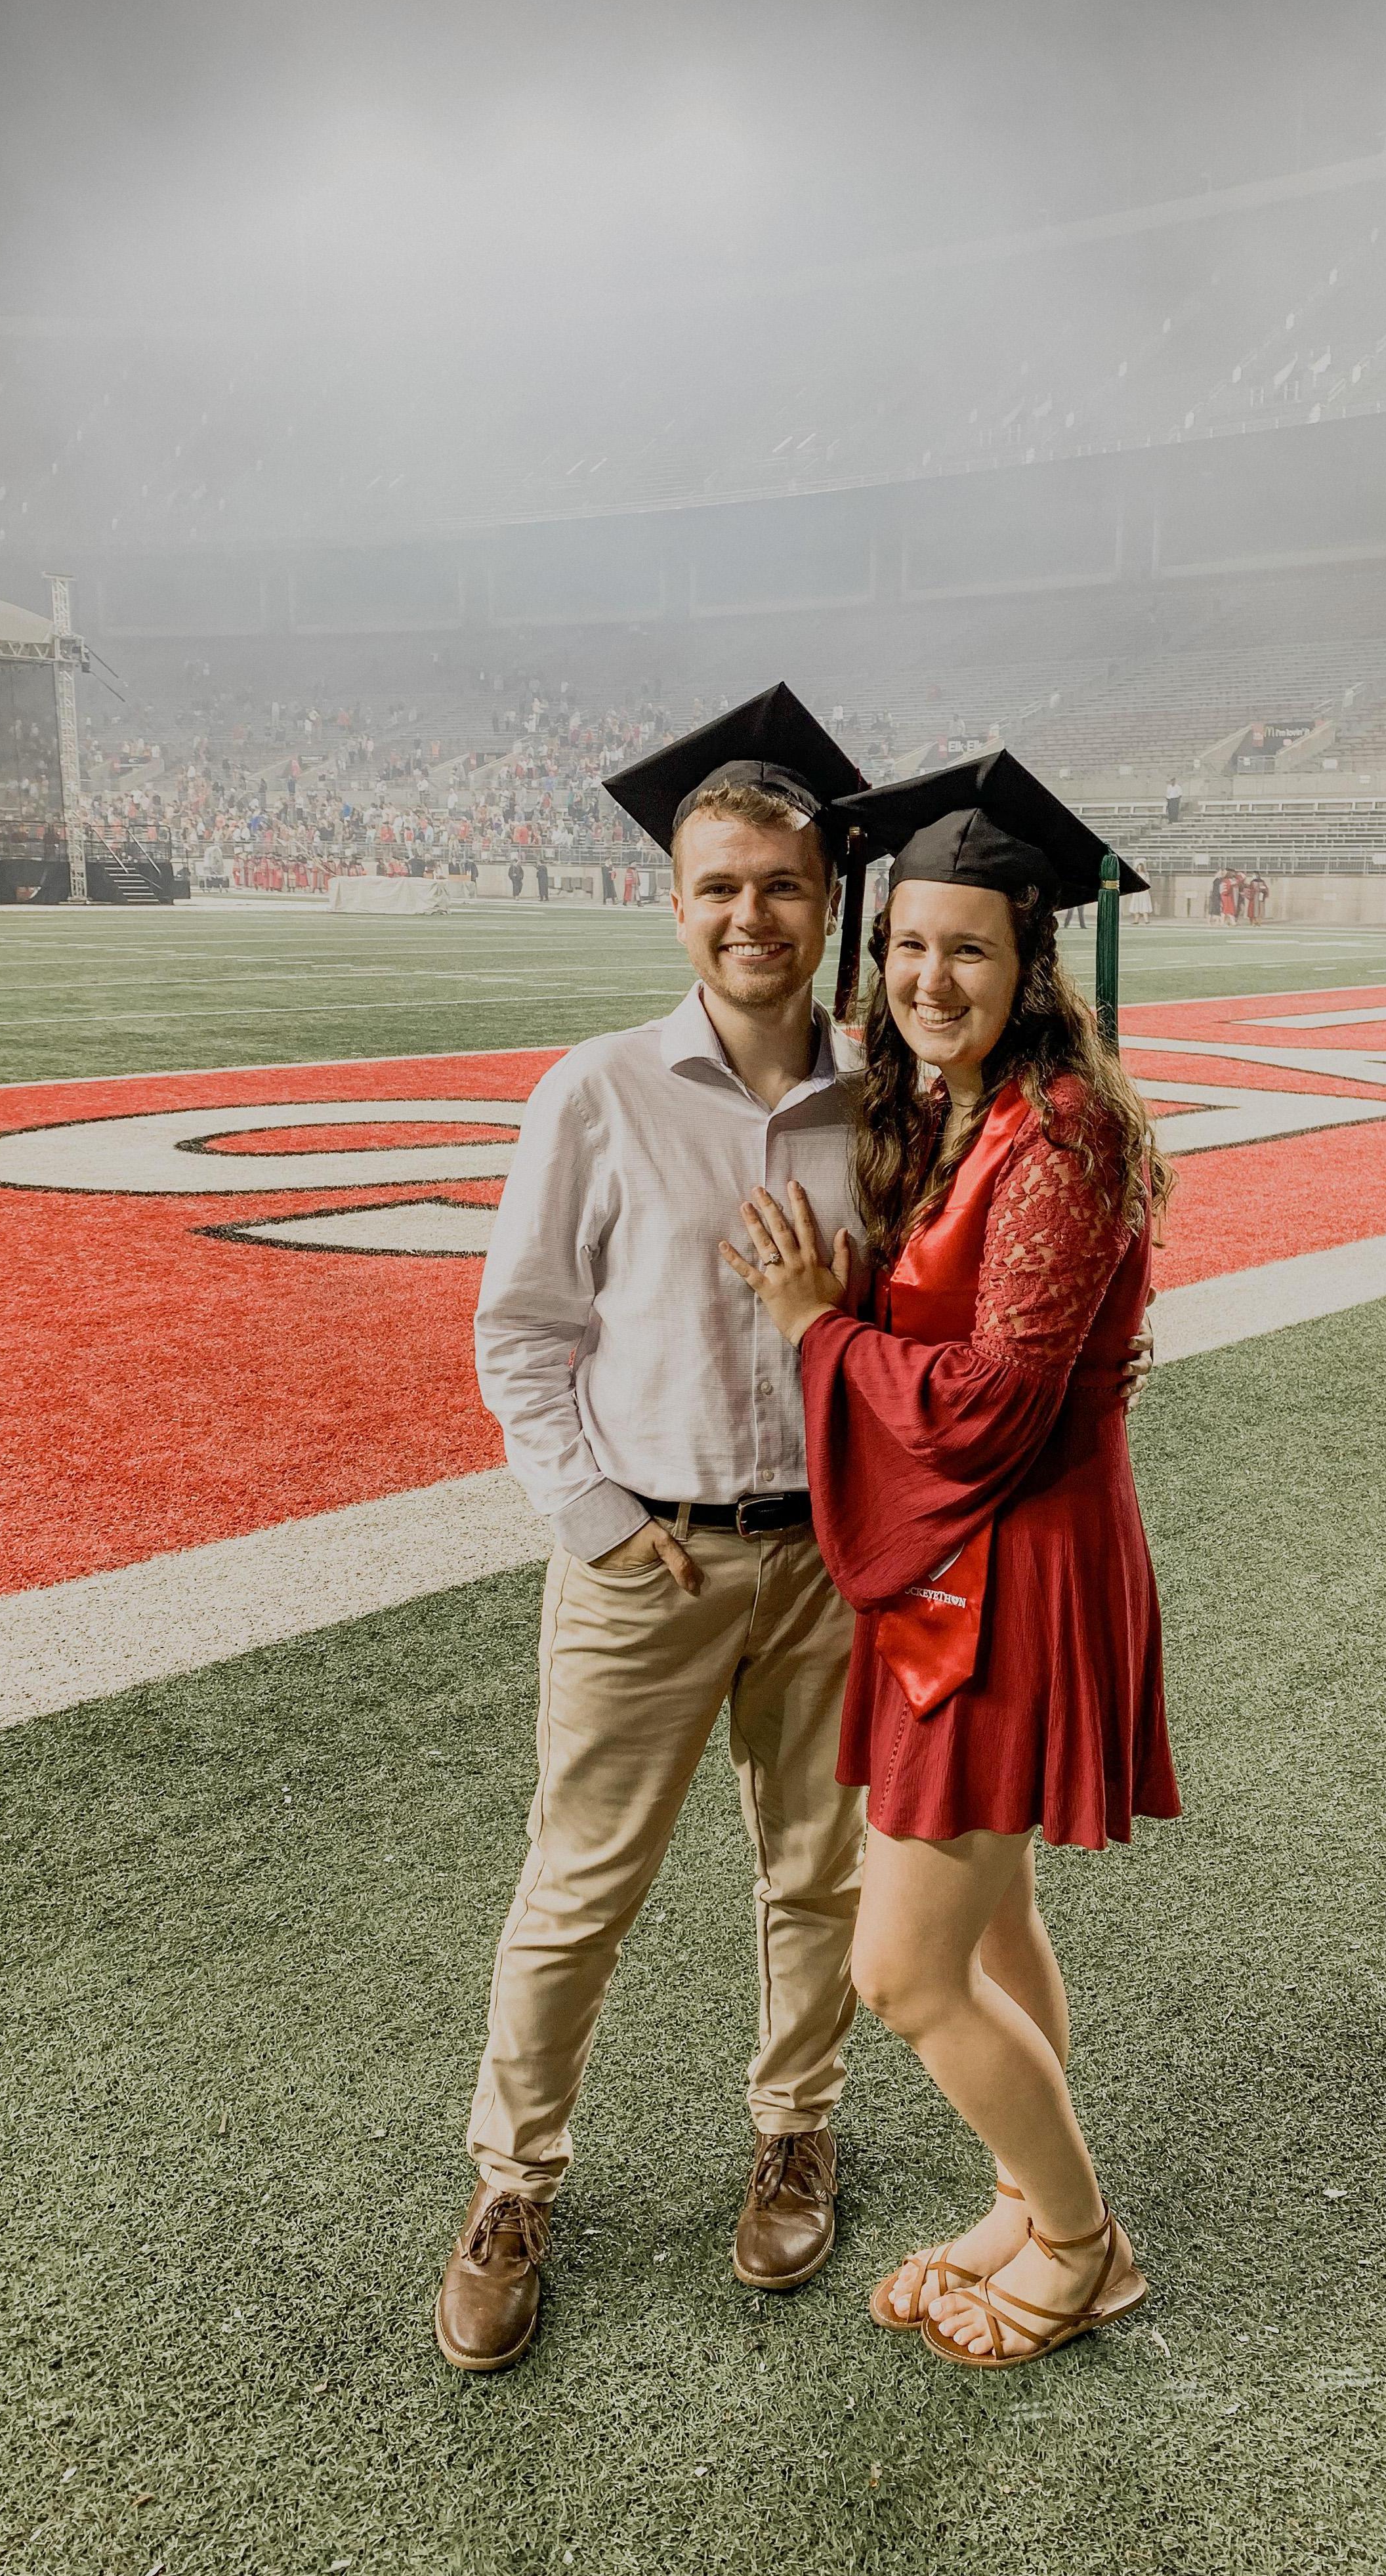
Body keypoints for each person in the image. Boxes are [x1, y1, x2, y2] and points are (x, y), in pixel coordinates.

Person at [723, 749, 1180, 2371]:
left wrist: (820, 1331)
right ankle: (1021, 2190)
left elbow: (990, 1405)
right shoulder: (958, 1110)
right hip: (974, 1577)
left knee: (903, 1967)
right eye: (908, 945)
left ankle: (1080, 2242)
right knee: (991, 1933)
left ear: (1027, 962)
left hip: (1021, 1581)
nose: (930, 977)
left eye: (969, 949)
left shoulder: (1054, 1136)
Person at [439, 686, 873, 2374]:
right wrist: (598, 1517)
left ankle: (795, 2133)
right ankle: (511, 2186)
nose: (751, 916)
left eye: (780, 884)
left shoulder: (885, 1104)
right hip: (657, 1559)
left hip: (835, 1564)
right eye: (719, 887)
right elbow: (519, 1332)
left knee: (819, 1875)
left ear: (825, 897)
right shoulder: (600, 1093)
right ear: (673, 902)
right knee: (578, 1889)